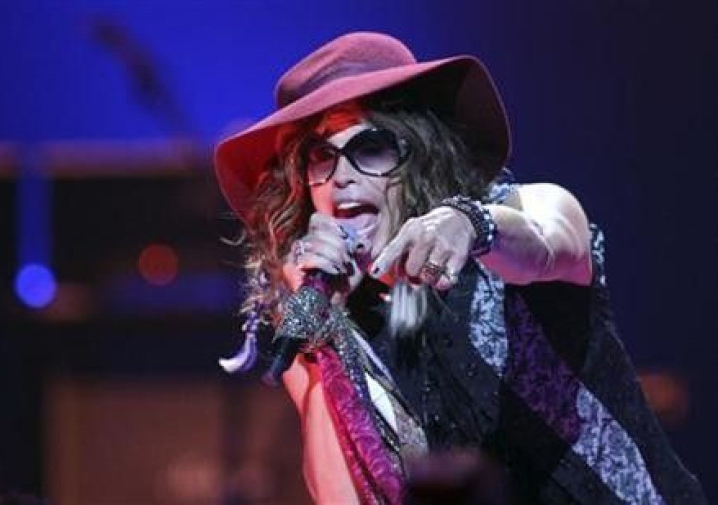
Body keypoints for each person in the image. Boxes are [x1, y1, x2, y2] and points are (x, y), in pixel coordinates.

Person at [214, 32, 706, 504]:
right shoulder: (328, 326)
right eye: (320, 156)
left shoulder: (519, 208)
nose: (342, 176)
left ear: (419, 154)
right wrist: (325, 346)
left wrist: (473, 224)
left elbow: (549, 240)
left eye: (370, 148)